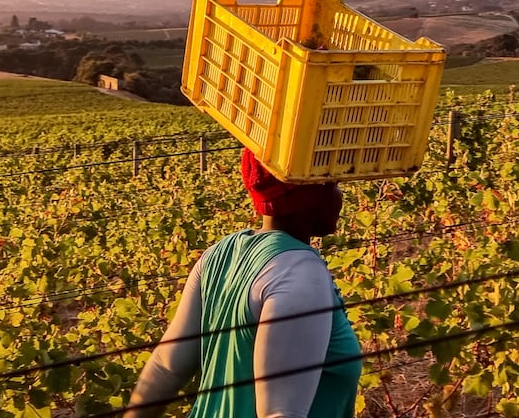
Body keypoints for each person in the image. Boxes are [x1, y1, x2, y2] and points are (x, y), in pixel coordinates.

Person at [123, 148, 361, 418]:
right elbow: (281, 413)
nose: (340, 195)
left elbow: (166, 368)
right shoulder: (299, 271)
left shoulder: (219, 255)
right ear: (309, 194)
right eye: (332, 184)